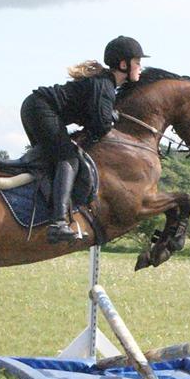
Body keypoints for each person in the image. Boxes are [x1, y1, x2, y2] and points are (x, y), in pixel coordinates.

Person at [20, 36, 147, 243]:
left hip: (35, 107)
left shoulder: (106, 84)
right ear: (124, 64)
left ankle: (44, 213)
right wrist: (112, 117)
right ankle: (58, 222)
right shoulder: (104, 85)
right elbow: (101, 126)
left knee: (54, 161)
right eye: (138, 62)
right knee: (67, 158)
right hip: (41, 109)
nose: (141, 67)